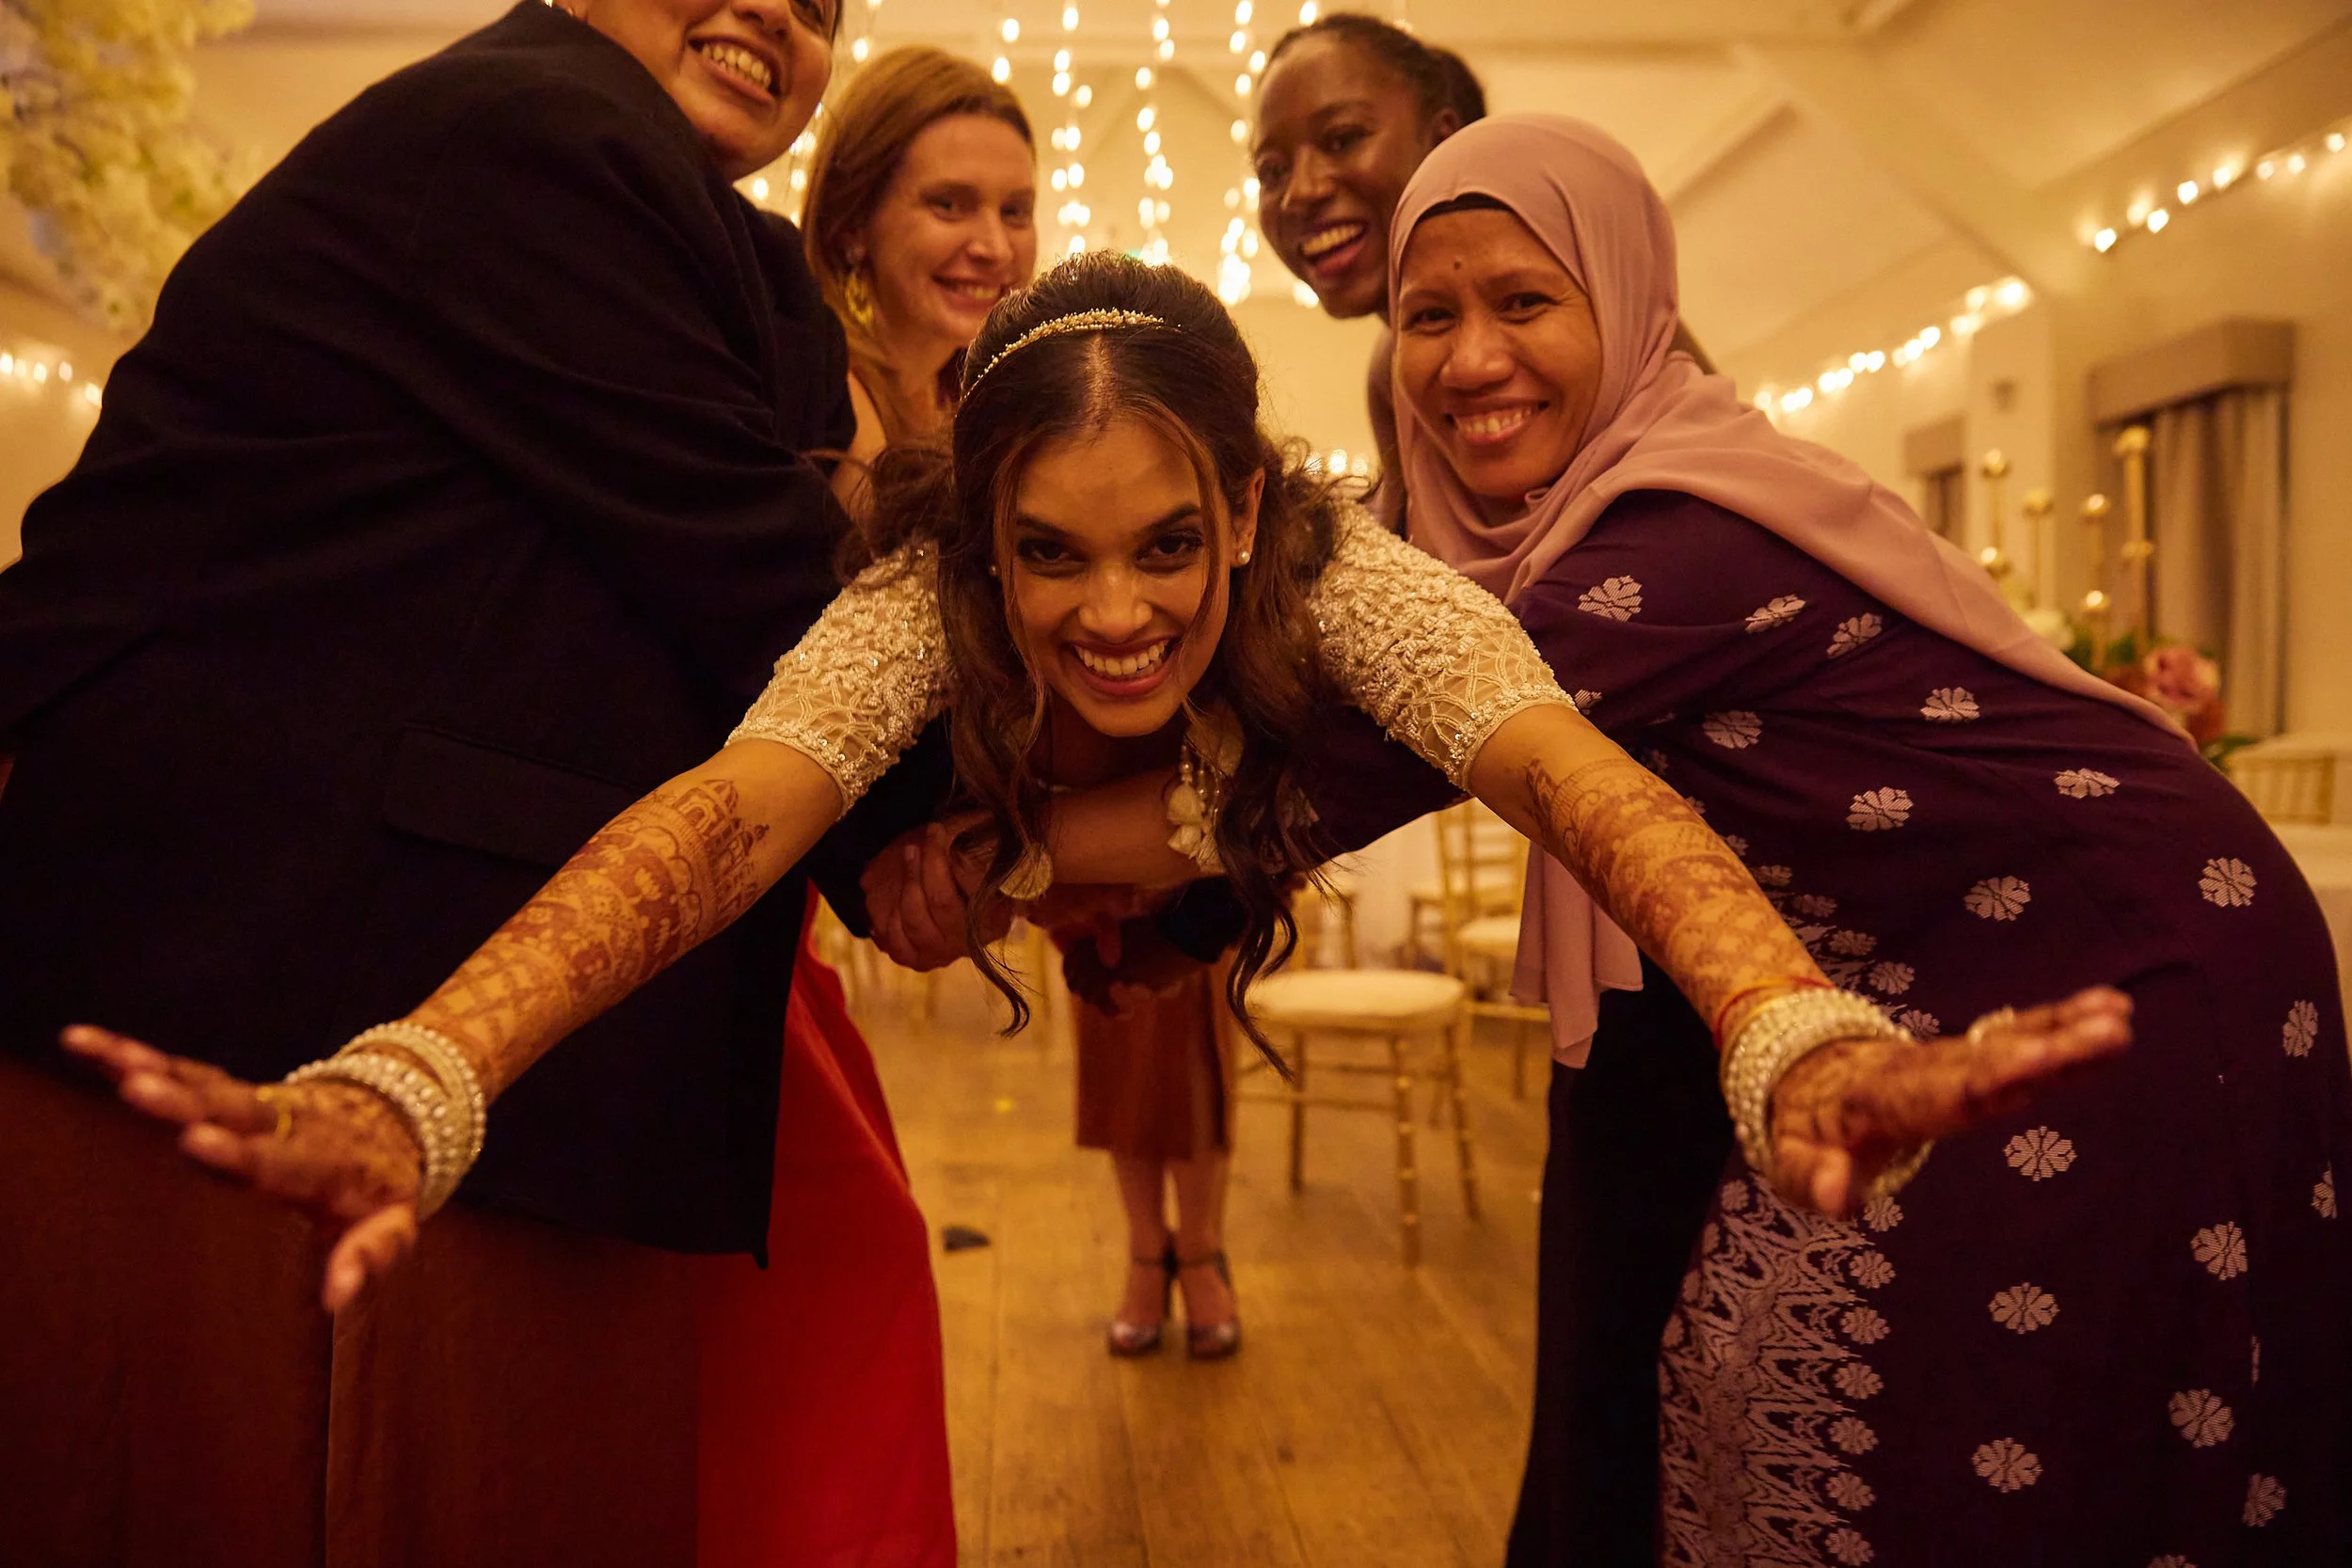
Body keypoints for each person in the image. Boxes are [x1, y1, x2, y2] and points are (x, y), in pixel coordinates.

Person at [63, 252, 2129, 1465]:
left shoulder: (1365, 590)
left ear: (1243, 510)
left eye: (1162, 547)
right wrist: (423, 1068)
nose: (1111, 612)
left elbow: (1597, 796)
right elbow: (705, 829)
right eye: (1046, 555)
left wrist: (1784, 1028)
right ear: (978, 544)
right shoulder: (906, 612)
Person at [0, 1, 935, 1561]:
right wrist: (1024, 819)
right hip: (255, 996)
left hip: (450, 1027)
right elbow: (755, 578)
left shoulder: (709, 231)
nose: (778, 8)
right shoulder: (536, 131)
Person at [1362, 114, 2350, 1566]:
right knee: (1774, 1382)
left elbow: (1356, 749)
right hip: (1946, 960)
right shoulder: (1555, 534)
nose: (1467, 359)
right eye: (1425, 316)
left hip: (2127, 963)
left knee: (1978, 1409)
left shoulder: (1673, 534)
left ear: (1630, 309)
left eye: (1524, 301)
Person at [693, 49, 1035, 1564]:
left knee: (838, 1264)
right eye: (950, 202)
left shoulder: (995, 411)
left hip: (827, 905)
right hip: (741, 860)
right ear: (853, 226)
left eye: (1016, 208)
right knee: (854, 1258)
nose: (992, 241)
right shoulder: (789, 390)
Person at [1250, 15, 1710, 533]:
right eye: (1271, 171)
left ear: (1444, 139)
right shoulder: (1393, 371)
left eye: (1343, 139)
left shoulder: (1605, 316)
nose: (1300, 192)